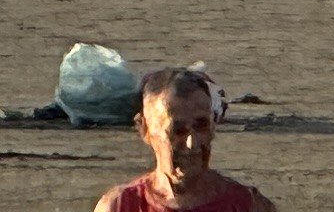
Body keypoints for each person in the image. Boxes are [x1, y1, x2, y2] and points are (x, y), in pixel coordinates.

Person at [89, 65, 268, 212]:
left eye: (201, 126)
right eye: (177, 131)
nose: (192, 144)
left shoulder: (246, 206)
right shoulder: (122, 207)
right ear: (144, 129)